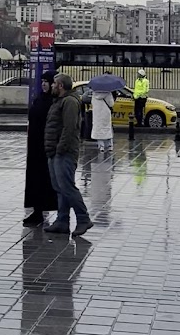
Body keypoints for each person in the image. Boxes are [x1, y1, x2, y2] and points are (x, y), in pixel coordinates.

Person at [44, 74, 93, 236]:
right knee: (60, 188)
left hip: (64, 152)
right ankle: (62, 221)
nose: (51, 86)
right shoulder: (59, 101)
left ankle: (83, 218)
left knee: (67, 187)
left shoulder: (70, 102)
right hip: (54, 150)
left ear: (61, 86)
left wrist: (60, 148)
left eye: (54, 84)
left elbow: (69, 128)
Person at [23, 72, 58, 226]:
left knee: (46, 179)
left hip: (47, 145)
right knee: (34, 178)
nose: (44, 84)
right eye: (42, 81)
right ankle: (36, 211)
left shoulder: (54, 102)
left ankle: (54, 212)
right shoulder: (39, 98)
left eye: (47, 81)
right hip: (34, 145)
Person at [91, 87, 114, 153]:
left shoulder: (94, 94)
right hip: (105, 113)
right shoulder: (108, 93)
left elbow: (92, 103)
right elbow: (111, 103)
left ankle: (101, 146)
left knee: (99, 129)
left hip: (97, 114)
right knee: (107, 128)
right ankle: (109, 145)